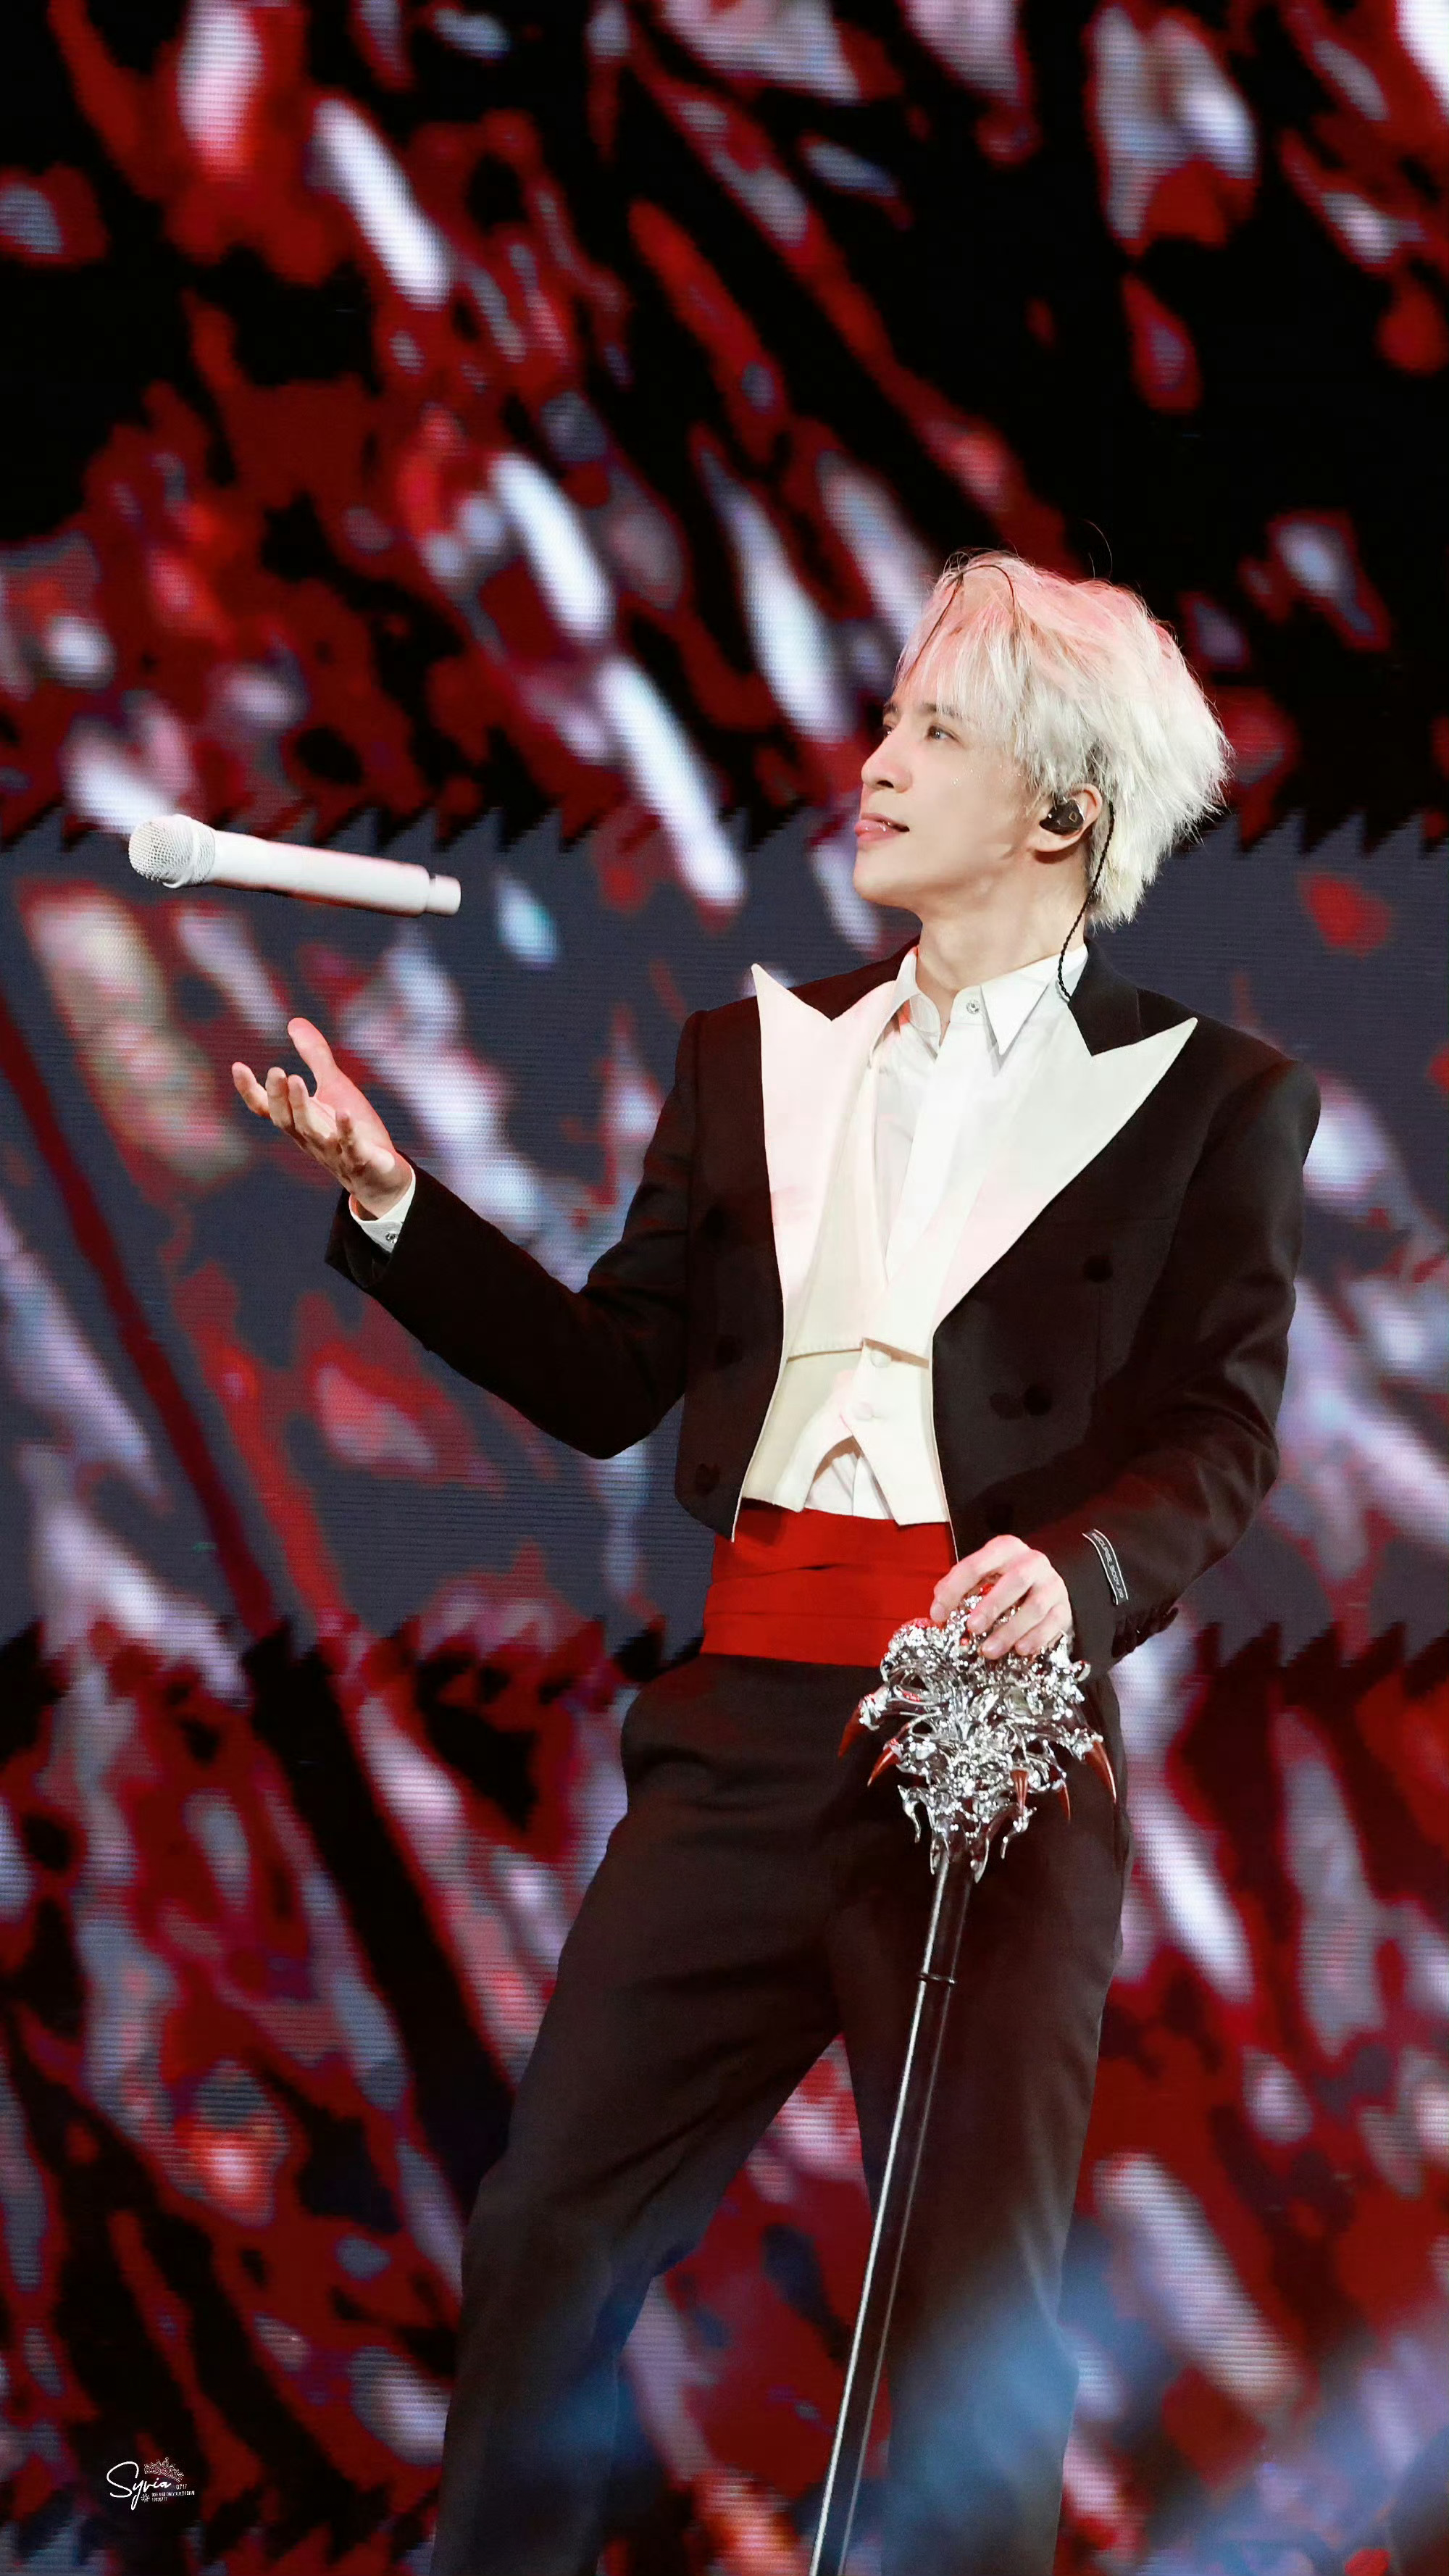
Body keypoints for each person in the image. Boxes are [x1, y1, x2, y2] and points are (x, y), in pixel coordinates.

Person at [233, 551, 1320, 2576]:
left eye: (934, 731)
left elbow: (1219, 1436)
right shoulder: (755, 1059)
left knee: (971, 2316)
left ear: (1062, 813)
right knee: (551, 2230)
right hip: (740, 1730)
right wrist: (394, 1207)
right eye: (890, 718)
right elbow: (606, 1377)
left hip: (987, 1747)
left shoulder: (1215, 1104)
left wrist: (1076, 1577)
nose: (876, 761)